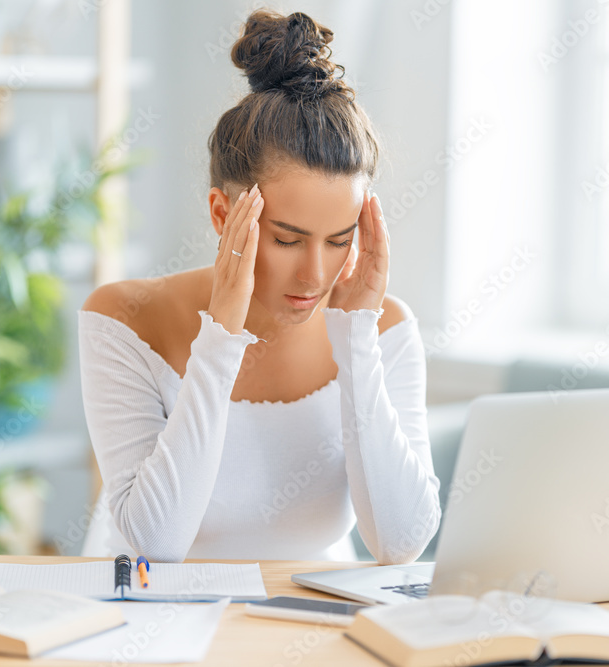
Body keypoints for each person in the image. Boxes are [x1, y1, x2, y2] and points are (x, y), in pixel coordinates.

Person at [77, 9, 440, 564]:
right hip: (148, 623)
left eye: (340, 239)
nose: (316, 276)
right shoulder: (125, 319)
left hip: (306, 627)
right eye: (289, 240)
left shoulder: (384, 328)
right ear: (224, 215)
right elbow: (157, 543)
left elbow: (401, 544)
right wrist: (220, 334)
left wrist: (356, 339)